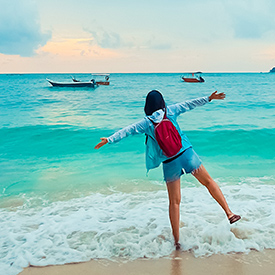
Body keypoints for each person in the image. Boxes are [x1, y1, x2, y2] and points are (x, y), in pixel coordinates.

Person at [94, 90, 241, 250]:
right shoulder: (170, 111)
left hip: (170, 163)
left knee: (175, 202)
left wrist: (109, 139)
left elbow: (127, 130)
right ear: (162, 102)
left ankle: (177, 241)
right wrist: (209, 98)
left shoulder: (146, 122)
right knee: (208, 182)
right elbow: (189, 104)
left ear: (147, 105)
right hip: (187, 154)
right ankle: (229, 213)